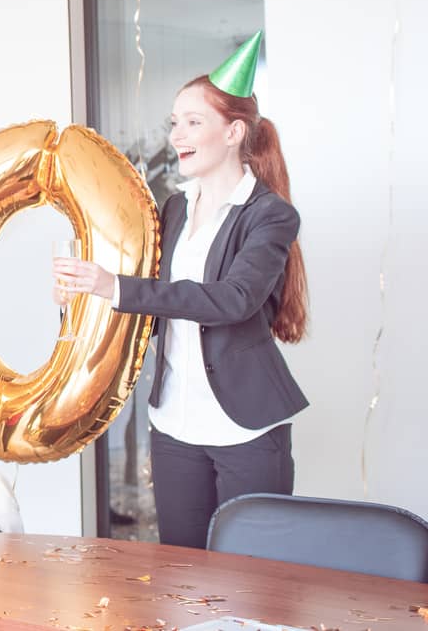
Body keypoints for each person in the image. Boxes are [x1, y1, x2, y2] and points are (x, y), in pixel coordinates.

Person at [54, 32, 308, 549]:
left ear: (234, 132)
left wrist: (116, 287)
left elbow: (233, 300)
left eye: (194, 122)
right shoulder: (172, 208)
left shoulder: (271, 214)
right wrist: (82, 300)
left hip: (247, 431)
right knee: (182, 575)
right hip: (174, 424)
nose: (177, 135)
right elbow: (143, 308)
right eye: (174, 122)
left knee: (254, 578)